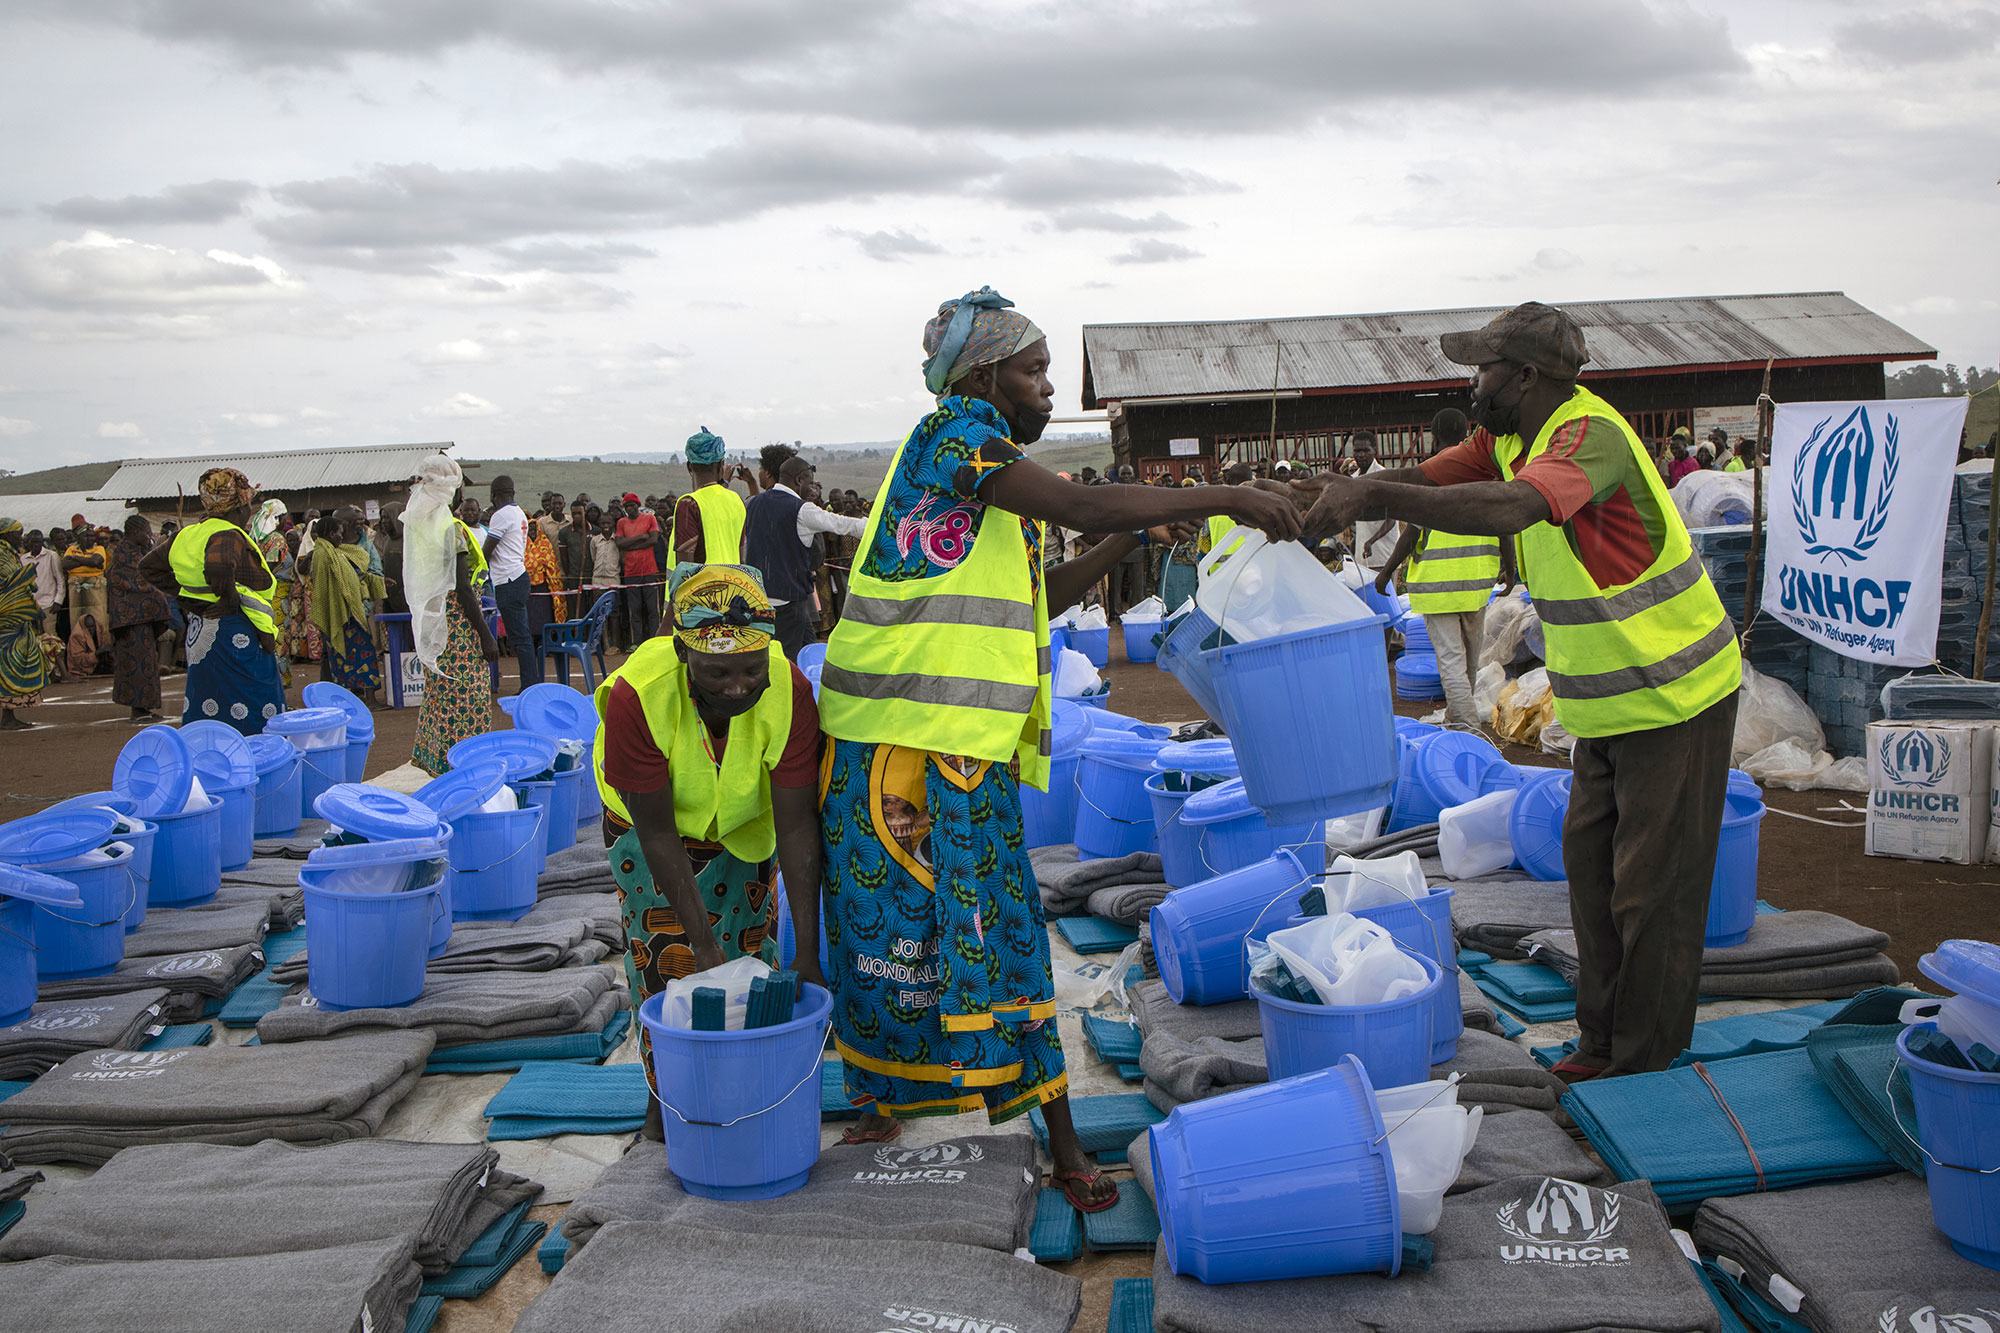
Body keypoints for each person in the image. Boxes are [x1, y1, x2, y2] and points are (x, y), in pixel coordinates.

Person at [816, 287, 1300, 1211]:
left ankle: (1053, 1128)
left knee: (994, 937)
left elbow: (1048, 587)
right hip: (893, 742)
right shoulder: (952, 438)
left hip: (956, 742)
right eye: (1035, 373)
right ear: (984, 376)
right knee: (896, 939)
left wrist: (1134, 529)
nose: (1047, 391)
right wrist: (1226, 490)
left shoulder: (983, 482)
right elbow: (1075, 498)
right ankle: (882, 1093)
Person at [1297, 300, 1740, 1081]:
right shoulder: (1506, 438)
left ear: (1526, 376)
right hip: (1606, 705)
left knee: (1651, 892)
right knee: (1594, 876)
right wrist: (1335, 488)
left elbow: (1517, 505)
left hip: (1676, 694)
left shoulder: (1585, 434)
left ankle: (1641, 1063)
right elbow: (1419, 480)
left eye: (1484, 369)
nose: (1473, 382)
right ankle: (1601, 1042)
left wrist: (1371, 498)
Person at [592, 563, 825, 1138]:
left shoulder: (789, 689)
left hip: (744, 823)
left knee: (749, 955)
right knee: (667, 960)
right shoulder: (637, 695)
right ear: (683, 653)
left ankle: (743, 1094)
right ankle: (664, 1106)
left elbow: (796, 827)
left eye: (752, 669)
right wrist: (700, 942)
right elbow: (658, 832)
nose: (739, 686)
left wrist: (809, 951)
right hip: (649, 827)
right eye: (718, 671)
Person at [1374, 409, 1506, 730]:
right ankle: (1459, 716)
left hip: (1437, 586)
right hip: (1476, 582)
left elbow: (1412, 533)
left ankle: (1466, 728)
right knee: (1470, 659)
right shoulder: (1485, 471)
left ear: (1433, 436)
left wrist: (1386, 572)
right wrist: (1510, 566)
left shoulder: (1433, 476)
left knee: (1450, 660)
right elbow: (1505, 520)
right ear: (1466, 433)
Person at [145, 466, 285, 733]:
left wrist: (190, 596)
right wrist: (228, 599)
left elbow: (149, 567)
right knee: (251, 699)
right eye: (249, 504)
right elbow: (219, 567)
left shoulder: (188, 535)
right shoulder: (227, 534)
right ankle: (254, 761)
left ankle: (212, 758)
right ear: (238, 506)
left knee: (210, 698)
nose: (250, 511)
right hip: (234, 632)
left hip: (203, 629)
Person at [407, 458, 502, 774]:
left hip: (436, 625)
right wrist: (486, 635)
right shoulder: (451, 531)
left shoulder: (419, 525)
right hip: (460, 630)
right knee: (467, 699)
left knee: (439, 697)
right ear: (450, 489)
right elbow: (462, 588)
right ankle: (464, 768)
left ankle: (437, 763)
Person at [743, 452, 865, 660]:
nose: (813, 487)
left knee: (810, 653)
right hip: (788, 603)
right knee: (787, 662)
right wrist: (886, 526)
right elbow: (844, 524)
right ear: (799, 480)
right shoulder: (802, 509)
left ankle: (812, 689)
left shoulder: (754, 503)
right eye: (810, 481)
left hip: (759, 599)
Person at [303, 509, 385, 701]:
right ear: (331, 534)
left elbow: (350, 577)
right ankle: (366, 700)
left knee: (349, 659)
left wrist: (374, 581)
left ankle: (356, 699)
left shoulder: (332, 552)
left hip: (346, 614)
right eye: (339, 532)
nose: (342, 536)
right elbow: (329, 588)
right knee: (359, 656)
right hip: (342, 616)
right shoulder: (323, 554)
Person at [105, 515, 172, 722]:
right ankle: (139, 710)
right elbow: (139, 584)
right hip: (131, 620)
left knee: (145, 662)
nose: (149, 535)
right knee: (137, 663)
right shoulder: (125, 555)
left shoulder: (137, 552)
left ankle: (144, 708)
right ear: (135, 533)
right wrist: (162, 593)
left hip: (139, 620)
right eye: (145, 532)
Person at [481, 475, 539, 692]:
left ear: (494, 496)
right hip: (517, 576)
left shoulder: (501, 515)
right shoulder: (518, 512)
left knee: (520, 638)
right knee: (522, 637)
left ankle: (529, 686)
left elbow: (486, 551)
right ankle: (530, 683)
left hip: (508, 580)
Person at [670, 427, 749, 566]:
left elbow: (684, 569)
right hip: (732, 585)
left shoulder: (689, 504)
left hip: (703, 588)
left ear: (689, 467)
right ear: (721, 466)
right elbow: (741, 558)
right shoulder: (736, 501)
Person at [0, 518, 48, 730]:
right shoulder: (3, 556)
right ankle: (7, 716)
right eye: (17, 533)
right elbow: (11, 584)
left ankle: (9, 714)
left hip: (14, 619)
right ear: (6, 534)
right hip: (8, 621)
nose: (21, 537)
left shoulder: (9, 554)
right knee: (8, 665)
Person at [614, 493, 664, 648]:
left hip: (649, 570)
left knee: (652, 609)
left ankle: (654, 641)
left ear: (638, 505)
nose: (630, 508)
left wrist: (631, 545)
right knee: (634, 609)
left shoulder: (650, 518)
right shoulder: (622, 522)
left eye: (632, 505)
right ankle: (637, 642)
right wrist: (641, 537)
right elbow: (620, 543)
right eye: (627, 506)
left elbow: (653, 539)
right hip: (631, 572)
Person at [1347, 430, 1399, 569]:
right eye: (1357, 451)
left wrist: (1371, 541)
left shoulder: (1383, 476)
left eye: (1365, 450)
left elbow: (1392, 518)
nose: (1361, 455)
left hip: (1383, 556)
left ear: (1374, 450)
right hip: (1362, 557)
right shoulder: (1354, 479)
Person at [63, 524, 110, 640]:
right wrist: (88, 561)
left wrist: (76, 559)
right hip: (76, 590)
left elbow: (96, 561)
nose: (90, 539)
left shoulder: (99, 549)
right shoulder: (71, 549)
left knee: (99, 621)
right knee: (77, 623)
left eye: (91, 536)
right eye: (86, 536)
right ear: (78, 538)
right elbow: (65, 564)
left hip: (96, 590)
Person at [525, 513, 565, 634]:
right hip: (527, 588)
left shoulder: (545, 543)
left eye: (534, 528)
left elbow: (552, 562)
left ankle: (545, 643)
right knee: (529, 618)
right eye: (529, 529)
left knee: (543, 617)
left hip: (544, 586)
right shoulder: (521, 544)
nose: (532, 531)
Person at [21, 529, 62, 636]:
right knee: (32, 636)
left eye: (38, 542)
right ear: (28, 542)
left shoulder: (52, 556)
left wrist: (58, 601)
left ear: (42, 542)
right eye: (32, 542)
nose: (35, 544)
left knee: (51, 636)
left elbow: (60, 580)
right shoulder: (23, 559)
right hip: (30, 605)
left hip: (49, 604)